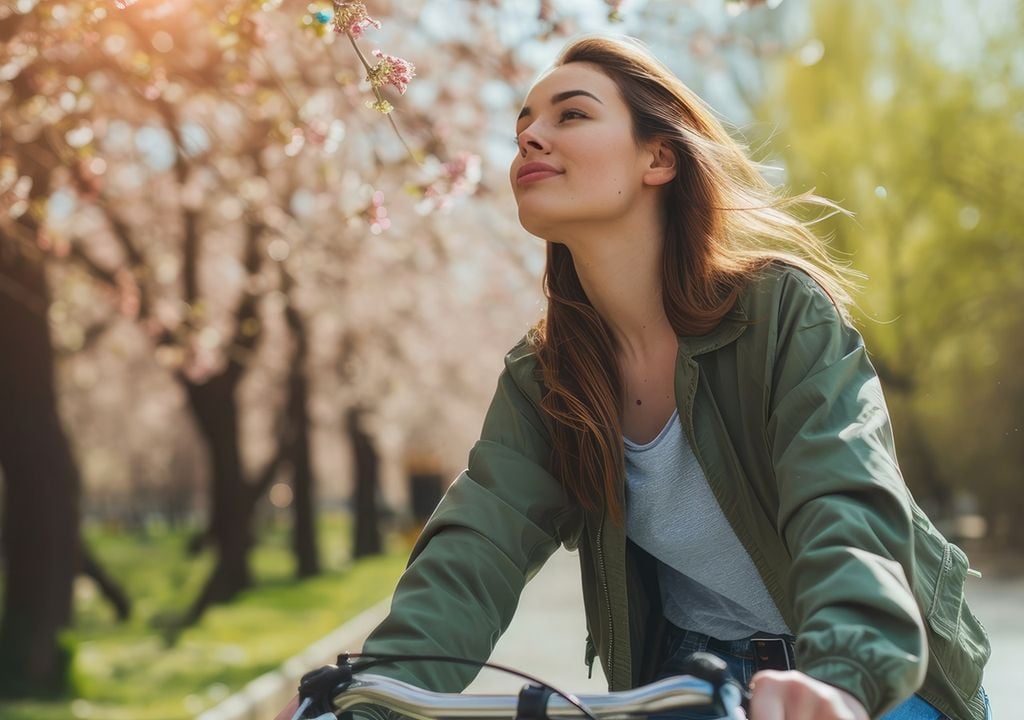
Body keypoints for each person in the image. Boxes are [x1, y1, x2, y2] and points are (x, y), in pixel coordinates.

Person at [277, 33, 991, 720]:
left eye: (572, 114)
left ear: (658, 158)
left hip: (873, 672)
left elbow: (845, 499)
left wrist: (844, 679)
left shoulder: (779, 313)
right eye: (523, 121)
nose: (529, 137)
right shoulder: (546, 379)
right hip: (694, 676)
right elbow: (477, 551)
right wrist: (365, 702)